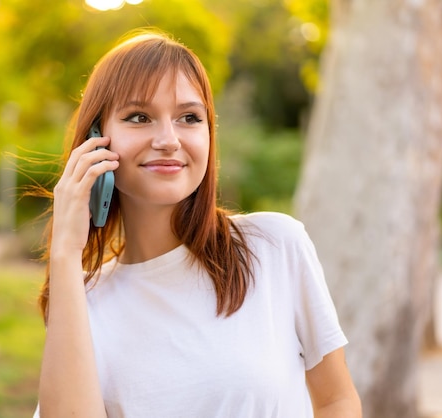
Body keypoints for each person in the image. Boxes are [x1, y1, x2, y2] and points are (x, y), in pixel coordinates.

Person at [33, 28, 362, 418]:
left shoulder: (275, 245)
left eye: (189, 117)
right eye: (139, 117)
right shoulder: (83, 299)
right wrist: (66, 254)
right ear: (95, 141)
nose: (169, 139)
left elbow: (336, 400)